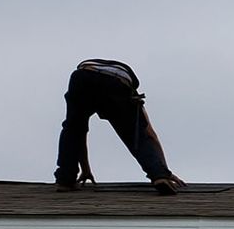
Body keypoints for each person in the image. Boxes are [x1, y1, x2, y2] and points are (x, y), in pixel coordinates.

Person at [54, 59, 186, 194]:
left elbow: (79, 134)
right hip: (117, 82)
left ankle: (65, 180)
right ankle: (159, 177)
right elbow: (150, 135)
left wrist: (85, 169)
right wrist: (163, 171)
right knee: (136, 134)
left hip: (83, 75)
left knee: (73, 128)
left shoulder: (91, 79)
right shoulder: (132, 97)